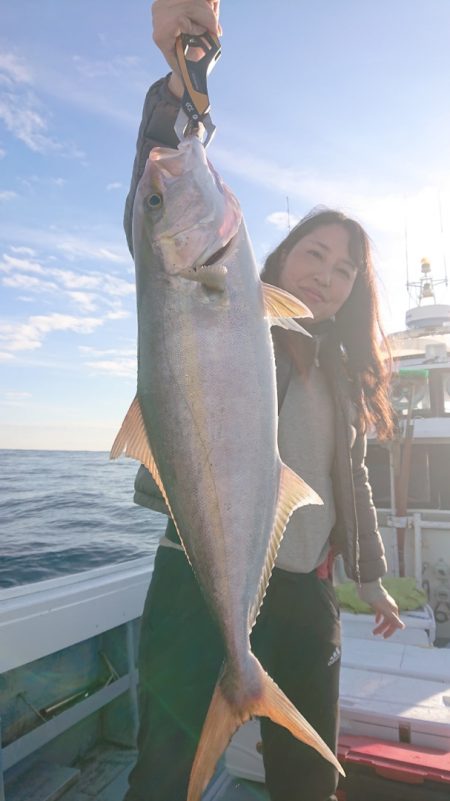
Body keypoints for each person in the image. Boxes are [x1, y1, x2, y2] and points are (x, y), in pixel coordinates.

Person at [122, 2, 405, 800]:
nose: (325, 273)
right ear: (270, 254)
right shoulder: (233, 304)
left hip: (307, 596)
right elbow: (155, 197)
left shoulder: (345, 371)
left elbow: (353, 481)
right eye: (313, 253)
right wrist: (183, 81)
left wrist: (371, 575)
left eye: (344, 268)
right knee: (161, 775)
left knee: (308, 783)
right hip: (198, 577)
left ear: (356, 291)